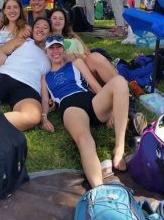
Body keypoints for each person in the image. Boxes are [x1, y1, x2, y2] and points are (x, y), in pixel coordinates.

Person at [41, 35, 129, 188]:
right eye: (51, 48)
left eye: (58, 47)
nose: (55, 51)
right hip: (70, 107)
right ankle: (99, 189)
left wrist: (111, 107)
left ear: (63, 49)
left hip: (90, 101)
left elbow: (95, 86)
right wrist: (44, 118)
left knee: (120, 82)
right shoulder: (45, 77)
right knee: (85, 140)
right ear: (46, 51)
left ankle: (119, 147)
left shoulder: (76, 63)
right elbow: (44, 100)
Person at [49, 8, 117, 86]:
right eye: (54, 18)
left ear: (65, 22)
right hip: (71, 72)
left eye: (61, 19)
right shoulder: (48, 40)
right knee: (96, 57)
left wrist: (74, 35)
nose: (57, 21)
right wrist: (78, 56)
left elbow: (87, 53)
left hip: (85, 66)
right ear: (49, 20)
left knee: (96, 55)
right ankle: (123, 87)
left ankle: (123, 87)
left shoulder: (71, 39)